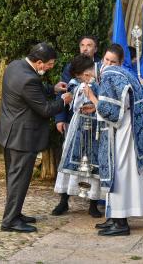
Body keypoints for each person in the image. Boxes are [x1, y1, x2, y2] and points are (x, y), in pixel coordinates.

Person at [0, 42, 72, 233]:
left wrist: (53, 89)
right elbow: (45, 110)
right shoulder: (29, 80)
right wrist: (63, 100)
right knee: (19, 179)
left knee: (14, 178)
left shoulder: (15, 66)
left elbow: (34, 91)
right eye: (49, 65)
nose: (50, 68)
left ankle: (15, 212)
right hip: (22, 137)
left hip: (9, 133)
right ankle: (10, 221)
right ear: (38, 62)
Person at [84, 44, 143, 236]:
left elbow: (111, 112)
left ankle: (120, 222)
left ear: (121, 62)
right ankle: (113, 216)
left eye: (113, 61)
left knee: (120, 174)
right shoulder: (123, 75)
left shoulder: (114, 76)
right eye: (106, 60)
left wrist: (92, 98)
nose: (108, 64)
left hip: (123, 133)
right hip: (123, 130)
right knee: (118, 173)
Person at [52, 35, 103, 217]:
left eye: (89, 45)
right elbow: (65, 93)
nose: (85, 48)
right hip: (76, 123)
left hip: (95, 124)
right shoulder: (72, 70)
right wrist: (60, 119)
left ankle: (93, 204)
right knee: (69, 159)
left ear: (95, 49)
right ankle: (64, 201)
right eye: (82, 44)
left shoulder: (102, 67)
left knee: (93, 162)